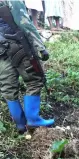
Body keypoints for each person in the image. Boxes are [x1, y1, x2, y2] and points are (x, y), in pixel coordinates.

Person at [0, 1, 54, 133]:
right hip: (16, 44)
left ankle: (20, 124)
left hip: (1, 51)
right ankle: (33, 120)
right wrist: (40, 47)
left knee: (8, 87)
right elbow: (24, 22)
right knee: (34, 80)